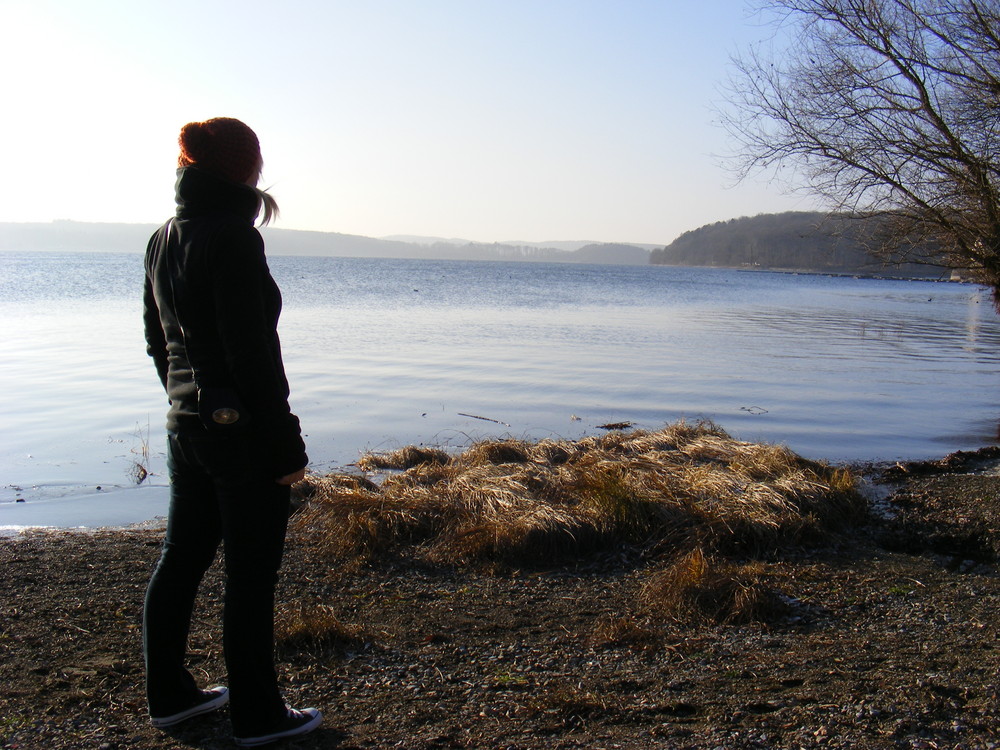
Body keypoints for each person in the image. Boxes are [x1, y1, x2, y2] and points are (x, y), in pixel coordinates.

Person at [142, 117, 321, 747]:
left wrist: (187, 401)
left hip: (184, 426)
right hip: (241, 436)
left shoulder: (165, 236)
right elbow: (254, 358)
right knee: (250, 574)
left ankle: (169, 695)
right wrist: (286, 445)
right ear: (246, 167)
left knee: (180, 560)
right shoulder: (235, 239)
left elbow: (157, 342)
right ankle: (259, 715)